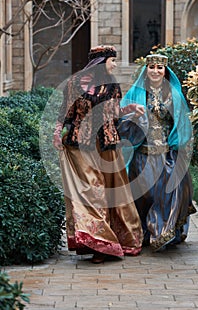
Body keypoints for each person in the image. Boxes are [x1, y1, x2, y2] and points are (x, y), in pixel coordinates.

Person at [53, 45, 143, 263]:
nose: (114, 64)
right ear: (101, 62)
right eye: (112, 60)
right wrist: (57, 132)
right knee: (92, 194)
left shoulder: (112, 87)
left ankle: (110, 241)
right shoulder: (74, 84)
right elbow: (66, 111)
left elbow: (114, 114)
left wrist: (130, 109)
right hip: (79, 147)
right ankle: (98, 245)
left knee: (112, 194)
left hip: (106, 148)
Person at [120, 53, 196, 252]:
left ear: (165, 71)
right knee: (144, 197)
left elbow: (182, 125)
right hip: (142, 155)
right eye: (151, 67)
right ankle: (144, 233)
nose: (155, 71)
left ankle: (162, 233)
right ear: (146, 69)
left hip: (166, 155)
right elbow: (120, 119)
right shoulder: (136, 93)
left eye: (159, 68)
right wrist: (132, 115)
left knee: (167, 196)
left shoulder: (174, 95)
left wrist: (176, 147)